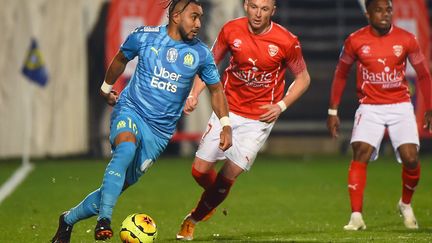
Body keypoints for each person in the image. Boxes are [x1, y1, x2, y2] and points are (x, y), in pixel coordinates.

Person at [51, 0, 233, 242]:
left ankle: (68, 219)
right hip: (131, 110)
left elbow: (216, 90)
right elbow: (120, 58)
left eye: (200, 17)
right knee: (124, 150)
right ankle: (104, 220)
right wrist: (106, 89)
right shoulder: (144, 37)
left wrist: (226, 124)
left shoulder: (200, 54)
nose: (199, 23)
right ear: (176, 16)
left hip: (158, 133)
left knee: (113, 189)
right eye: (194, 17)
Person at [176, 0, 311, 240]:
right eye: (254, 7)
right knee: (199, 172)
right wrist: (194, 93)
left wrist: (281, 106)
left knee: (230, 174)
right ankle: (214, 198)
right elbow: (210, 62)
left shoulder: (286, 40)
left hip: (258, 120)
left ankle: (193, 218)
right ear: (246, 5)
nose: (258, 14)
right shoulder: (231, 30)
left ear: (273, 11)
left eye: (265, 9)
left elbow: (303, 78)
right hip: (225, 110)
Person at [327, 0, 432, 231]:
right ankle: (356, 216)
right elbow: (341, 73)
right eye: (379, 10)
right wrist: (332, 110)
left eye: (388, 10)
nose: (385, 15)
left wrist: (429, 107)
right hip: (370, 107)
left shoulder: (406, 39)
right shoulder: (355, 40)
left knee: (411, 158)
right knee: (360, 151)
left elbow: (423, 74)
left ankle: (405, 203)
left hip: (400, 106)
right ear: (368, 14)